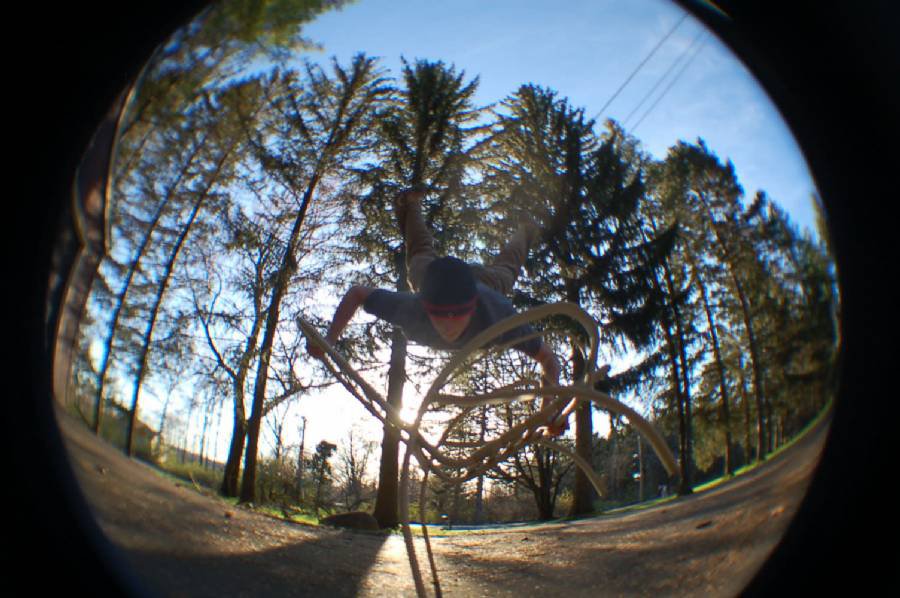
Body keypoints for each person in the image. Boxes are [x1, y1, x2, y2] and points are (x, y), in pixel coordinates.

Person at [309, 188, 568, 436]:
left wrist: (548, 410)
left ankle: (526, 229)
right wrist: (329, 339)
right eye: (441, 316)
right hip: (433, 280)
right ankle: (411, 204)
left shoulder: (498, 315)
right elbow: (357, 293)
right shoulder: (413, 309)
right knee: (420, 254)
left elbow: (548, 359)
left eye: (458, 315)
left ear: (473, 307)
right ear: (427, 307)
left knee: (507, 270)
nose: (449, 326)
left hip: (486, 284)